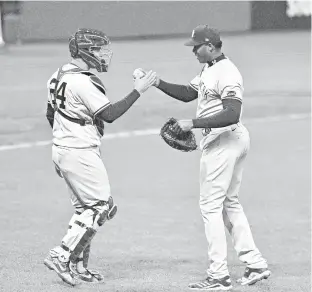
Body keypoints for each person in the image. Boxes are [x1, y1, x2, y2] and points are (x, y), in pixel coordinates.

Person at [152, 25, 271, 290]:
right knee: (229, 203)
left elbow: (232, 113)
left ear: (210, 46)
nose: (193, 50)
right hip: (229, 140)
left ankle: (219, 276)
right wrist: (157, 83)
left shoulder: (228, 73)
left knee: (210, 207)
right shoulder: (209, 69)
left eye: (196, 46)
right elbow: (187, 93)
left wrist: (192, 123)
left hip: (225, 142)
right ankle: (255, 264)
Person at [44, 28, 156, 286]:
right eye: (98, 49)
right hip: (79, 151)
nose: (104, 54)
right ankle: (61, 255)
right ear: (85, 51)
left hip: (63, 149)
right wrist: (138, 90)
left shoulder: (57, 74)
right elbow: (110, 114)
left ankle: (78, 267)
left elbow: (51, 114)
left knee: (86, 208)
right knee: (100, 207)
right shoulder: (84, 81)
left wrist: (63, 143)